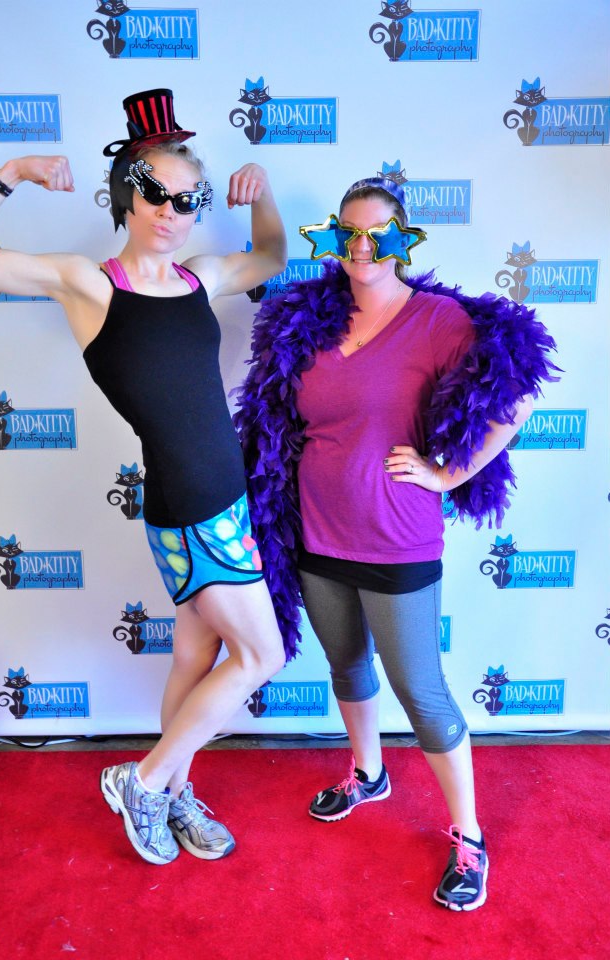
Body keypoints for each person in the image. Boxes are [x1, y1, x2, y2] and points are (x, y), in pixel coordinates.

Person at [0, 89, 287, 866]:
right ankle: (143, 781)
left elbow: (271, 258)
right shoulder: (89, 283)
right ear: (127, 194)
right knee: (262, 657)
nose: (173, 211)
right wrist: (9, 172)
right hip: (194, 504)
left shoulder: (200, 277)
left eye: (190, 199)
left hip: (220, 500)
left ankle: (173, 794)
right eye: (157, 193)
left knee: (195, 657)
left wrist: (262, 194)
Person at [234, 174, 559, 910]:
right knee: (346, 663)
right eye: (349, 232)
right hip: (314, 530)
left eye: (377, 234)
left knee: (420, 689)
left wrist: (449, 474)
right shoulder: (307, 318)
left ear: (404, 240)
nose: (361, 247)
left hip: (396, 538)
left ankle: (469, 836)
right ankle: (368, 773)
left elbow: (516, 394)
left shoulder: (439, 320)